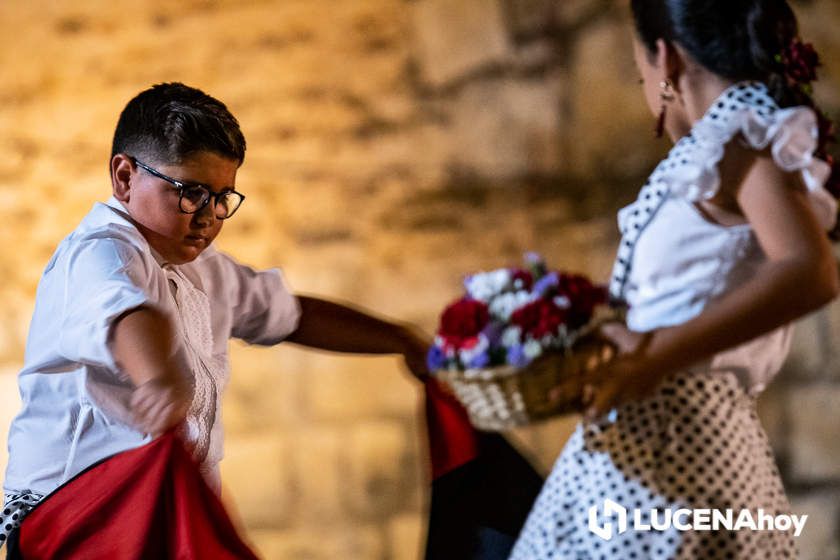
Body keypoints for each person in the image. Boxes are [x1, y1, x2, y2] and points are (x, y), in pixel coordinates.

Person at [0, 82, 429, 546]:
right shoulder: (99, 250)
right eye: (191, 192)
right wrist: (158, 378)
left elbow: (291, 315)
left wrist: (402, 338)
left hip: (163, 515)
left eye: (223, 197)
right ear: (124, 177)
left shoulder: (206, 270)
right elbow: (124, 310)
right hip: (84, 522)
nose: (209, 216)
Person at [510, 1, 839, 558]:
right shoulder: (717, 149)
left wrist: (656, 353)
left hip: (677, 448)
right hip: (653, 446)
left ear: (664, 57)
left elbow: (810, 270)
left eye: (638, 64)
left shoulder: (744, 142)